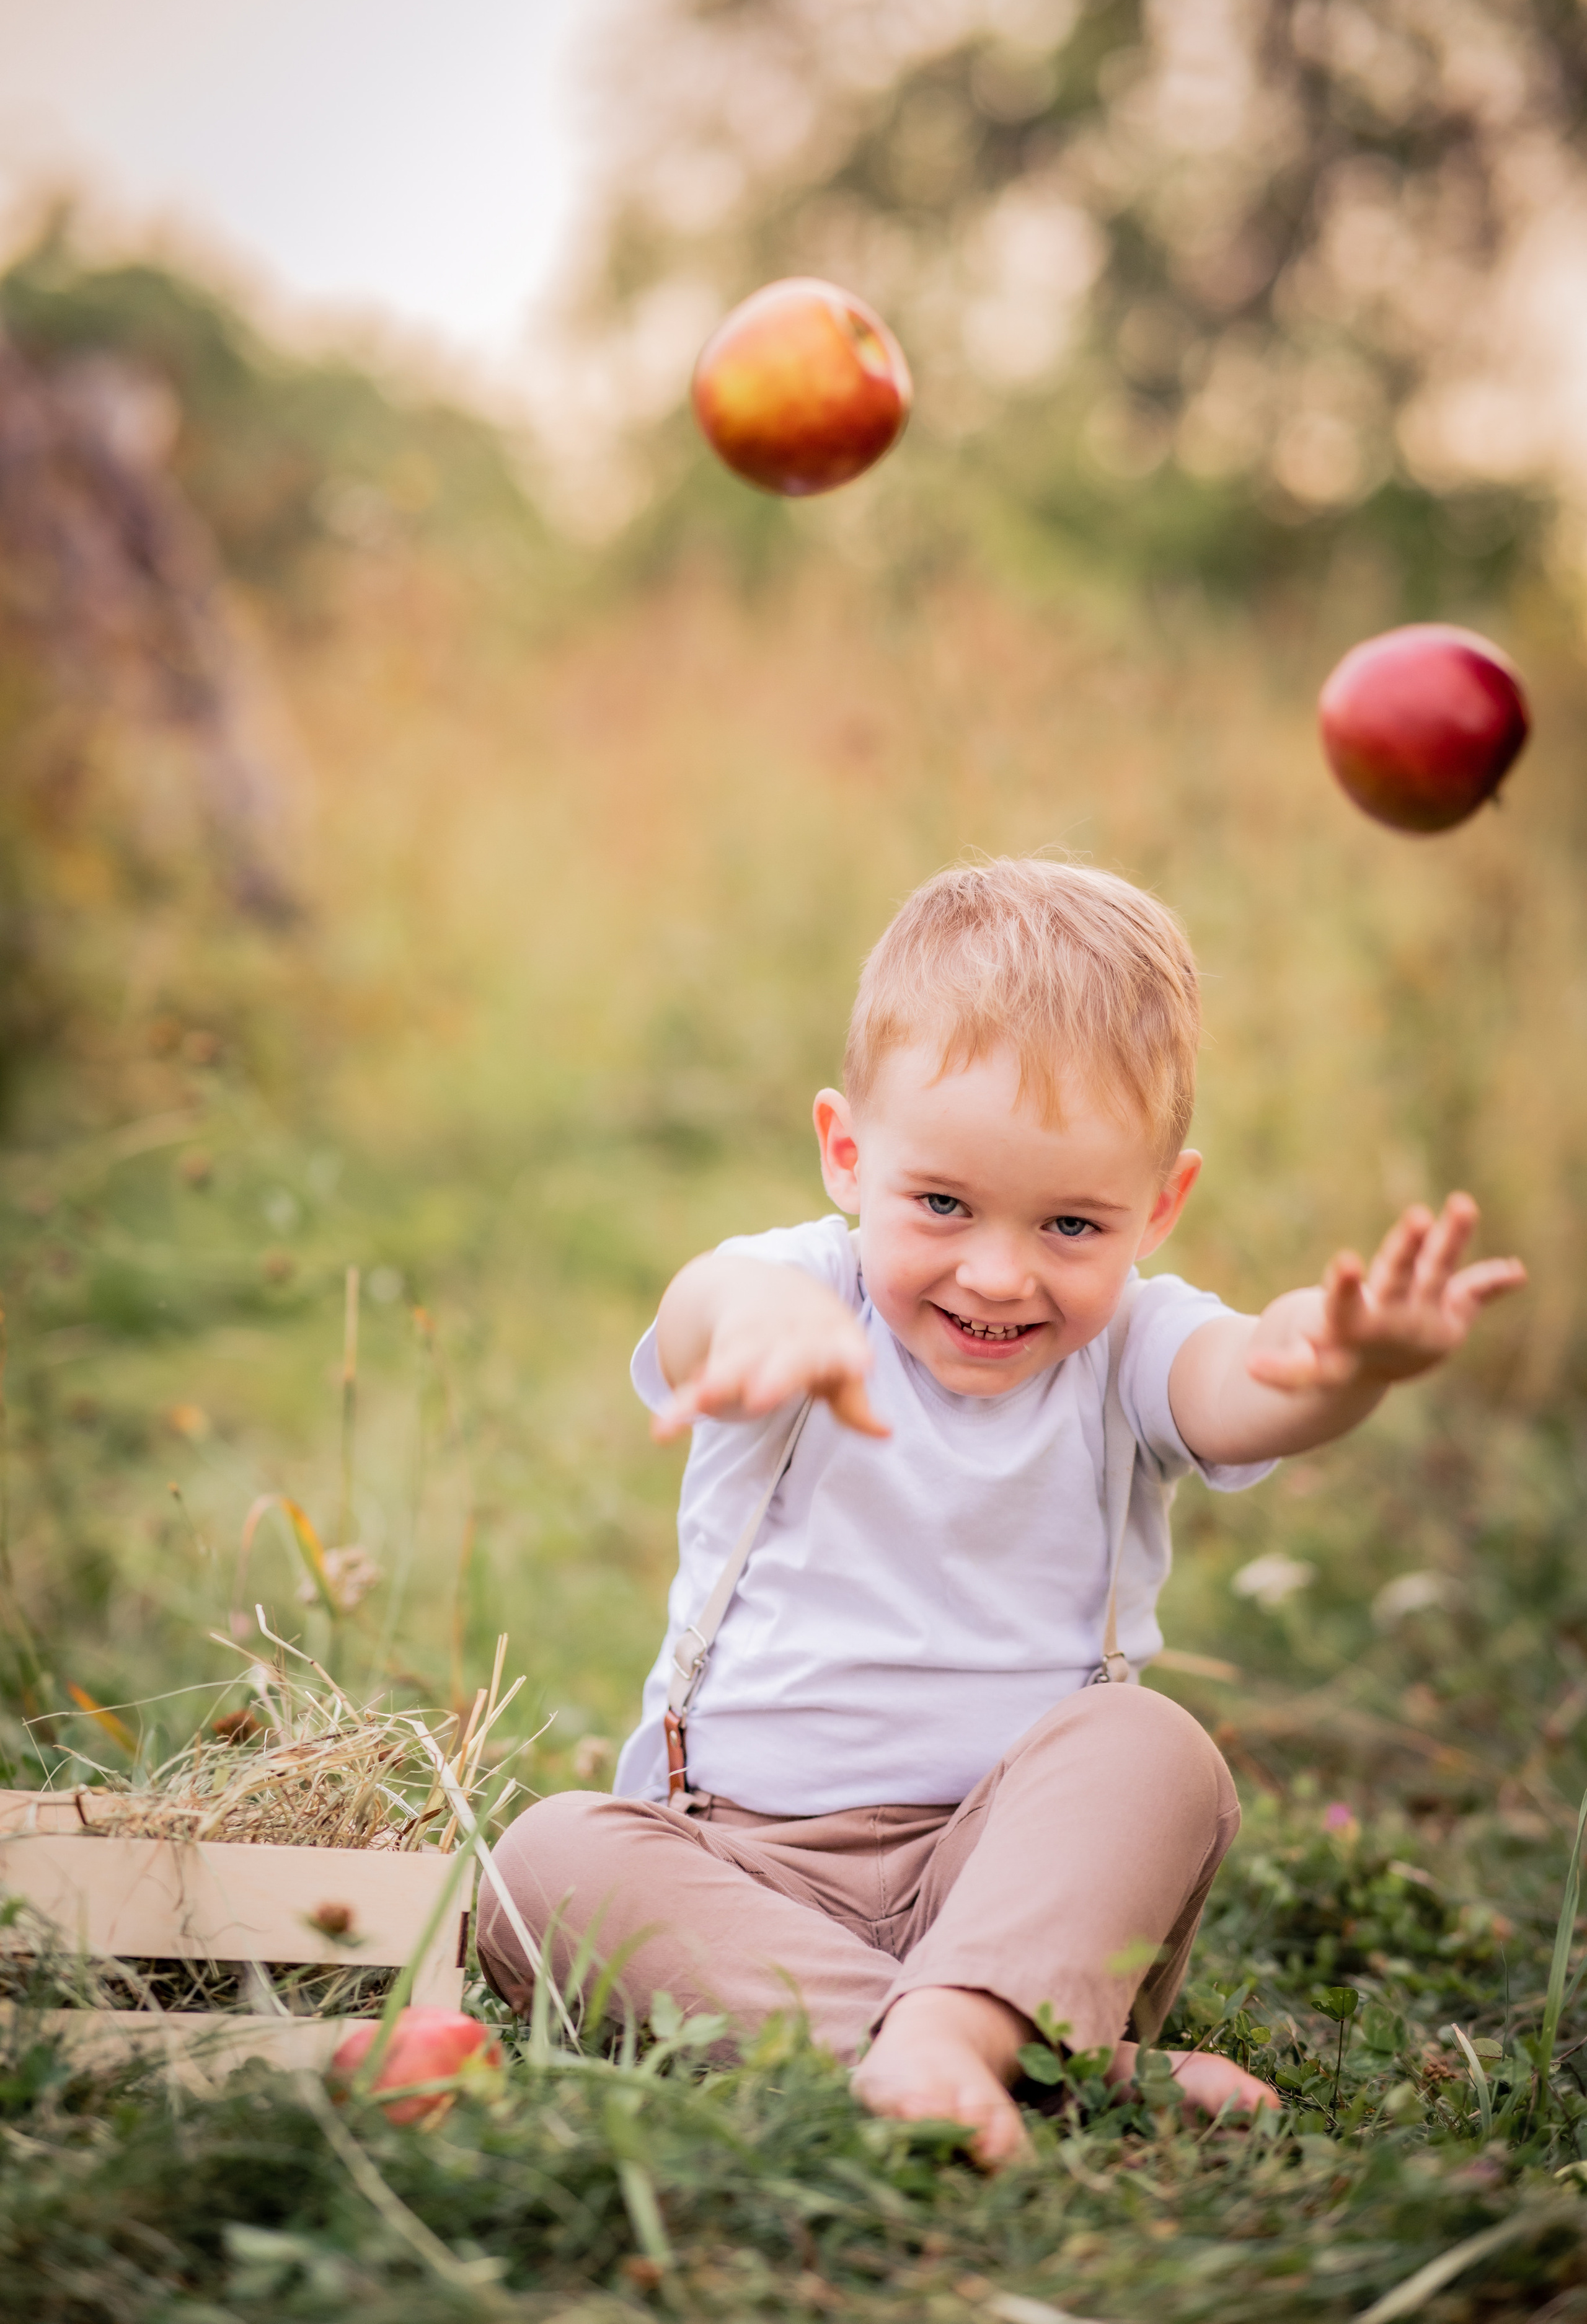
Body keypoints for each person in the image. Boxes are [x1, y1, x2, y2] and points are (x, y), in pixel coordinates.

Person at [478, 858, 1524, 2165]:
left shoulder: (1134, 1342)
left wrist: (1344, 1360)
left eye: (1072, 1225)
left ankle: (959, 2021)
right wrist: (770, 1328)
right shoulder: (796, 1288)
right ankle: (1003, 2055)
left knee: (1148, 1749)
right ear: (845, 1152)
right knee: (546, 1860)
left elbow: (1247, 1378)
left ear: (1160, 1207)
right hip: (740, 1869)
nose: (996, 1273)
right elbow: (710, 1305)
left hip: (1022, 1887)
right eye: (940, 1204)